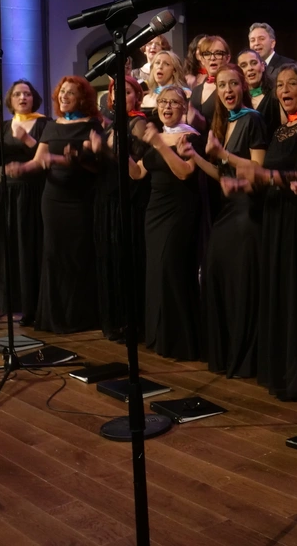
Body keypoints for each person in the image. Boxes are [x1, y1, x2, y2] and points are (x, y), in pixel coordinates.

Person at [223, 65, 297, 401]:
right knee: (281, 289)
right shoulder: (282, 129)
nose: (284, 90)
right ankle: (283, 370)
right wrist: (243, 183)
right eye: (280, 85)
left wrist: (263, 177)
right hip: (277, 216)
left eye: (291, 84)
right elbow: (270, 174)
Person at [6, 76, 104, 334]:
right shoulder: (52, 126)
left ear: (82, 98)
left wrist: (73, 159)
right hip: (53, 199)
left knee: (79, 255)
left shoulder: (93, 125)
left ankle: (80, 316)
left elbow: (98, 166)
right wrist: (22, 168)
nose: (64, 96)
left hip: (81, 198)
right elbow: (39, 160)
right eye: (62, 92)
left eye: (70, 93)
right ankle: (54, 316)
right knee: (54, 254)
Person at [201, 65, 269, 377]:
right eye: (222, 85)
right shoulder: (224, 122)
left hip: (247, 212)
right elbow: (222, 176)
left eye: (233, 84)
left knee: (241, 285)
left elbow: (258, 170)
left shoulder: (252, 119)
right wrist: (197, 157)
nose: (227, 90)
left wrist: (223, 155)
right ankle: (227, 353)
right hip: (227, 209)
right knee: (218, 276)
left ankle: (246, 359)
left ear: (243, 87)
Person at [130, 85, 206, 360]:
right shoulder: (157, 136)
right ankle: (160, 336)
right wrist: (119, 153)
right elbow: (138, 173)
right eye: (163, 102)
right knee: (156, 272)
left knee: (171, 269)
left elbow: (185, 172)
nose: (167, 107)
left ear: (184, 107)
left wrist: (160, 145)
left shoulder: (191, 137)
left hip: (179, 210)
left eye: (173, 102)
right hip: (154, 211)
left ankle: (181, 341)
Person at [0, 80, 48, 327]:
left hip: (35, 192)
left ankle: (36, 305)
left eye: (27, 94)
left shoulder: (44, 124)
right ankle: (16, 305)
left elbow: (45, 157)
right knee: (12, 248)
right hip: (9, 195)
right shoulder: (5, 127)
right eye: (17, 94)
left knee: (33, 247)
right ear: (10, 100)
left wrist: (27, 139)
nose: (22, 98)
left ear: (34, 98)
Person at [93, 76, 150, 341]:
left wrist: (106, 152)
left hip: (128, 202)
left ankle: (132, 322)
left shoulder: (138, 123)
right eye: (116, 92)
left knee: (127, 261)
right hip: (107, 200)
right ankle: (115, 319)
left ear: (136, 97)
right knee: (111, 259)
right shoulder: (110, 125)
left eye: (127, 92)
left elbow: (136, 168)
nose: (120, 96)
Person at [237, 48, 281, 138]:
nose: (250, 68)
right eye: (243, 65)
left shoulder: (276, 94)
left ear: (262, 66)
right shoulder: (238, 100)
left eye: (254, 63)